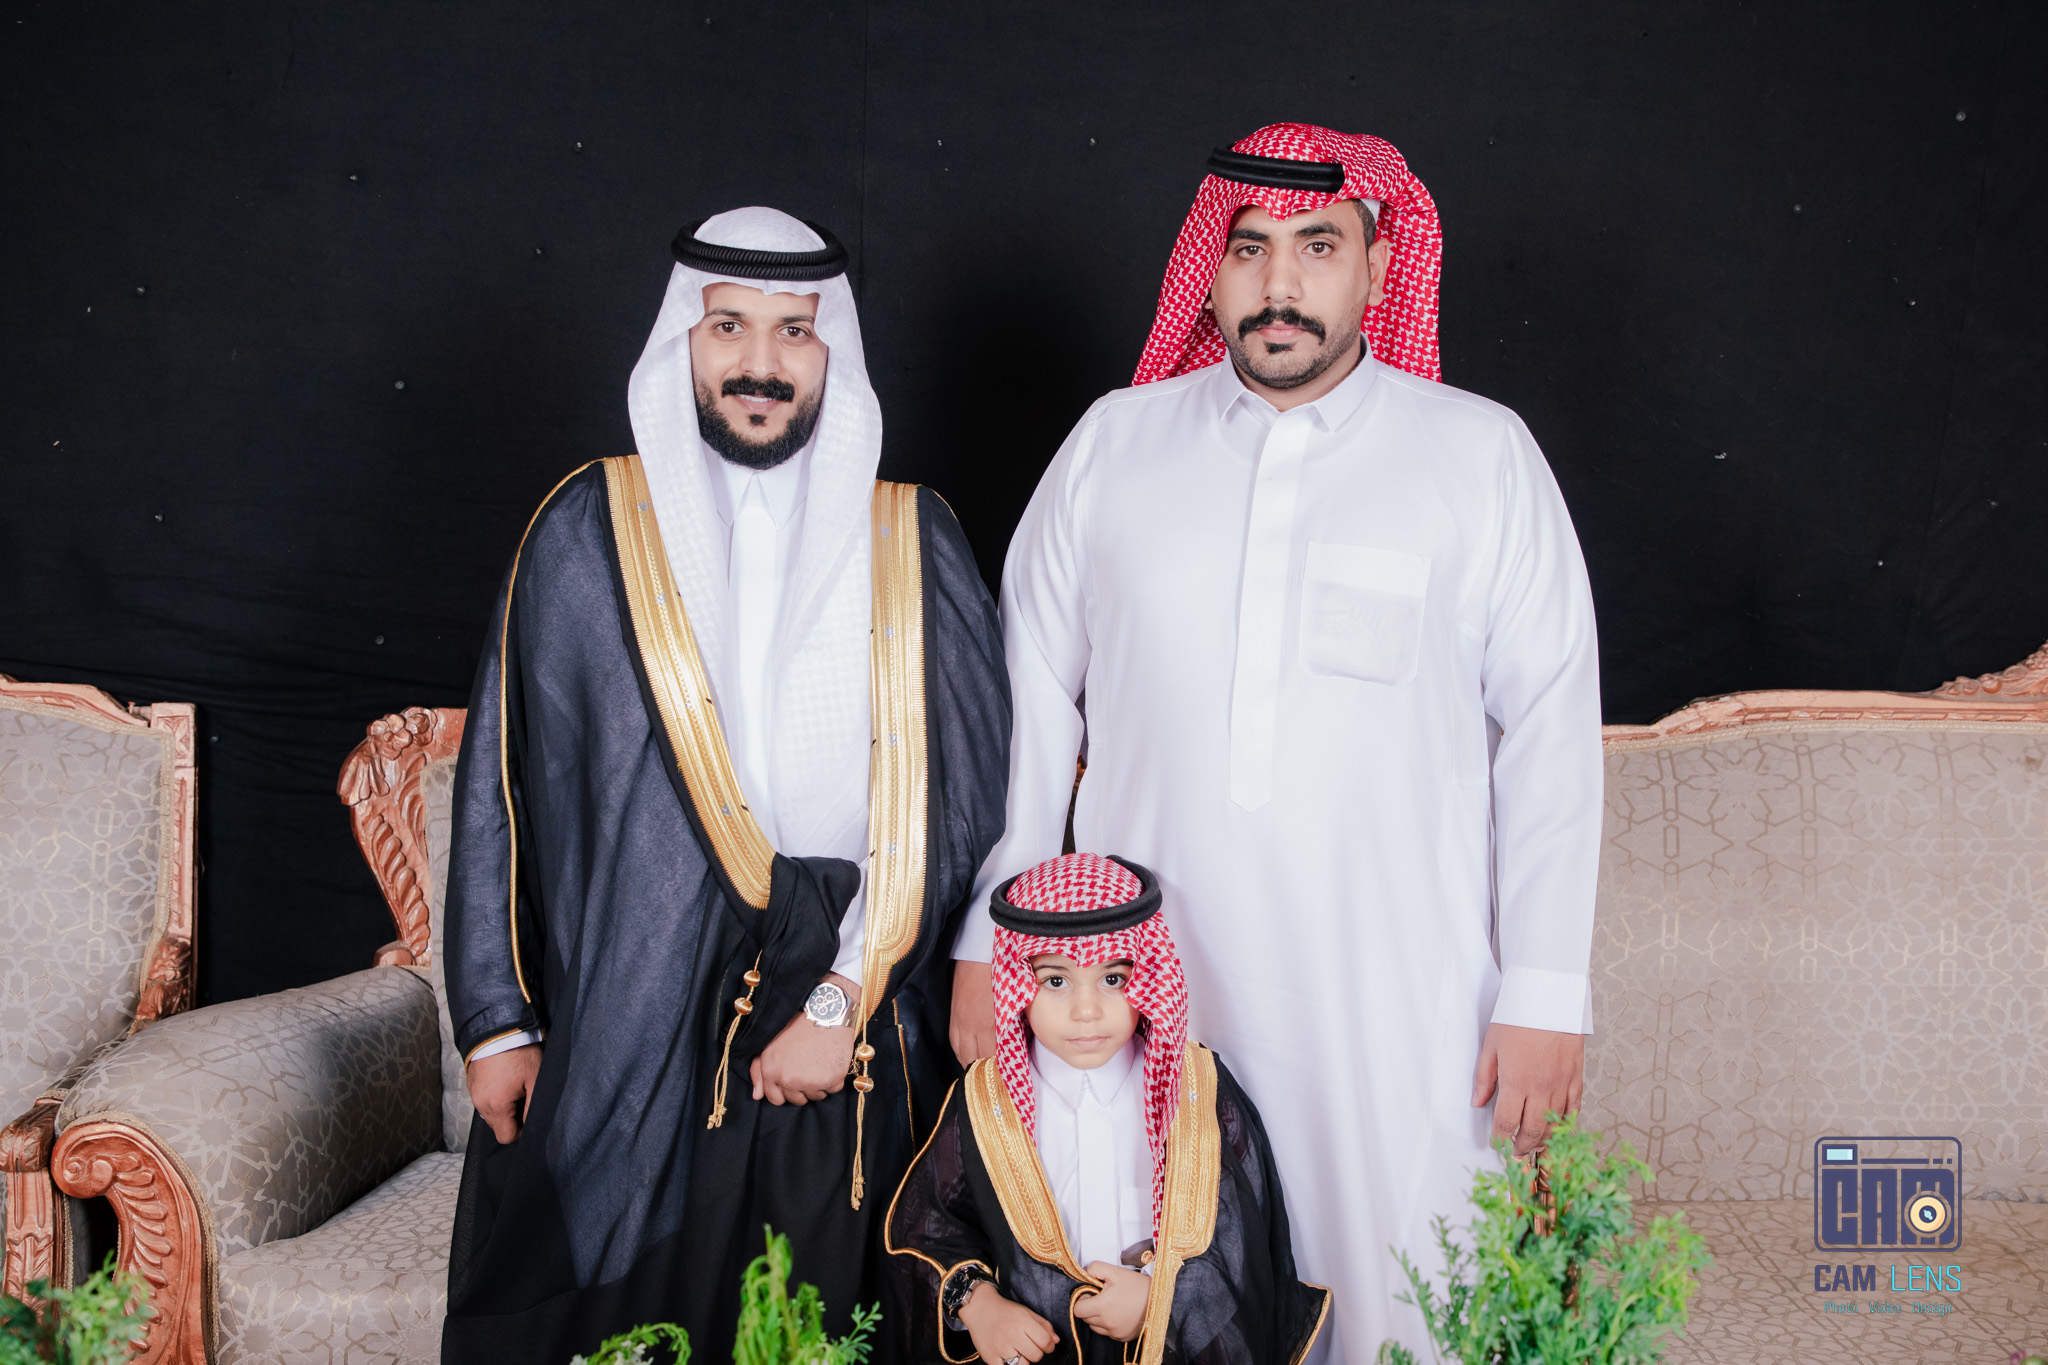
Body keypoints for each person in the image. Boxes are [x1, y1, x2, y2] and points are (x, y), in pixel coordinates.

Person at [948, 125, 1603, 1360]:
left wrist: (1544, 989)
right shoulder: (1113, 446)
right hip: (1140, 993)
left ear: (1378, 265)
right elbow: (1024, 709)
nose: (1279, 284)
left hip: (1402, 997)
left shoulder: (1478, 456)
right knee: (1165, 1290)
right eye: (1248, 249)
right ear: (1208, 270)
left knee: (1407, 1292)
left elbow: (1552, 738)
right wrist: (994, 933)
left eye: (1317, 246)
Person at [440, 207, 1011, 1363]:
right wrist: (496, 1021)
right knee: (620, 1318)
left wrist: (839, 1001)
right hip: (637, 1001)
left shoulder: (912, 537)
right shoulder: (585, 529)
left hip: (854, 1008)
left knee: (824, 1319)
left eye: (793, 330)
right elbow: (500, 783)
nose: (760, 361)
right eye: (728, 328)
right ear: (681, 344)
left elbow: (957, 813)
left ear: (830, 351)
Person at [890, 852, 1327, 1365]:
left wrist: (1159, 1303)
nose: (1086, 1010)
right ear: (1017, 984)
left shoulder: (1195, 1088)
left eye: (1113, 979)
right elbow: (927, 1227)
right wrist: (981, 1306)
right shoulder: (986, 1101)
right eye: (1056, 981)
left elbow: (1242, 1242)